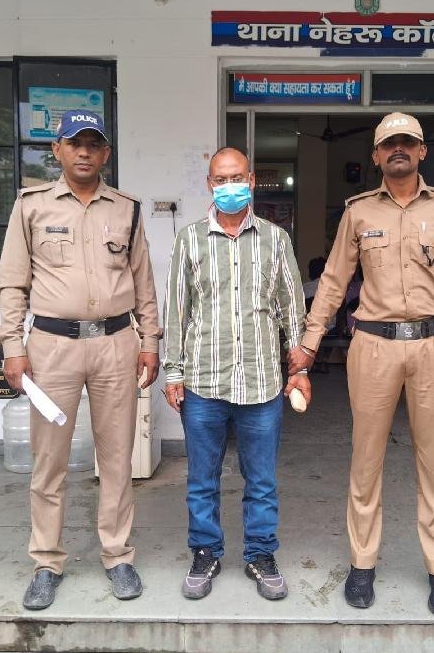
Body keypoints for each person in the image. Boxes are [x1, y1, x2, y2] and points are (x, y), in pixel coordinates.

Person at [288, 112, 434, 616]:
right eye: (389, 143)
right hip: (373, 346)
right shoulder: (358, 212)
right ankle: (362, 563)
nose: (399, 149)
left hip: (433, 345)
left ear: (421, 151)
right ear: (375, 156)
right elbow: (333, 282)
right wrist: (309, 344)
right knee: (366, 461)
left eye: (407, 142)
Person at [0, 110, 161, 610]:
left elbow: (144, 282)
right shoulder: (31, 206)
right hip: (52, 348)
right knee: (49, 462)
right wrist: (13, 347)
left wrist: (150, 341)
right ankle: (46, 562)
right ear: (58, 150)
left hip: (115, 345)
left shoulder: (127, 209)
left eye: (93, 143)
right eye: (74, 143)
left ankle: (118, 555)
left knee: (117, 458)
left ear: (106, 153)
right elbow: (11, 282)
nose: (84, 152)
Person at [162, 147, 311, 601]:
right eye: (220, 179)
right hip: (204, 383)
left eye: (236, 177)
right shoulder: (189, 239)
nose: (229, 186)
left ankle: (260, 555)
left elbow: (292, 309)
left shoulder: (275, 239)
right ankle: (205, 553)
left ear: (251, 180)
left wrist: (300, 368)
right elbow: (177, 312)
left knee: (261, 481)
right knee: (201, 480)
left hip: (261, 384)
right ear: (210, 184)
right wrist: (173, 372)